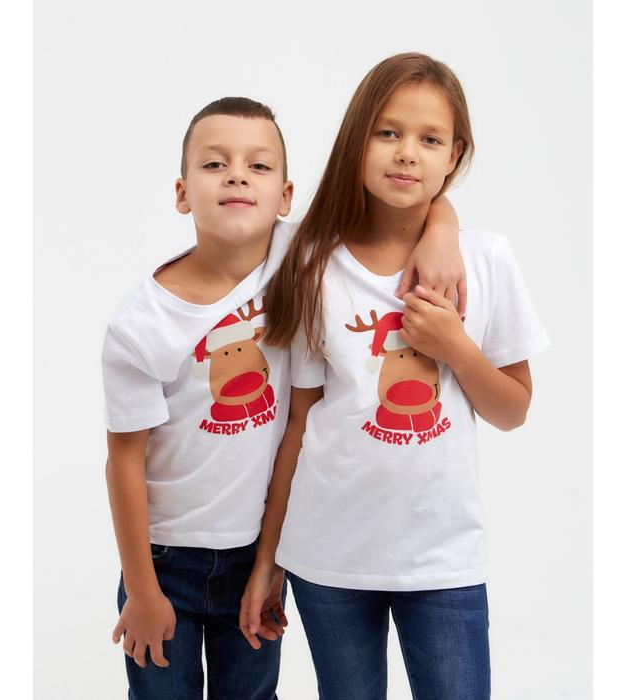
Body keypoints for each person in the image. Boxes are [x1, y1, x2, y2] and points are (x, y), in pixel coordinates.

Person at [102, 95, 464, 699]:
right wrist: (141, 592)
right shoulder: (141, 324)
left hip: (259, 552)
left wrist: (444, 228)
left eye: (258, 165)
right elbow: (123, 458)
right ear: (182, 192)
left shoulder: (303, 257)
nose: (237, 176)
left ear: (287, 196)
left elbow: (407, 201)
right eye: (214, 164)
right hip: (163, 559)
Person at [240, 53, 551, 700]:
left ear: (454, 156)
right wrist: (269, 559)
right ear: (357, 140)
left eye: (430, 139)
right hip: (328, 557)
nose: (407, 152)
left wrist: (456, 347)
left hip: (443, 560)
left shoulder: (486, 260)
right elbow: (299, 424)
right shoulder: (311, 263)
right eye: (388, 132)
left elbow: (513, 410)